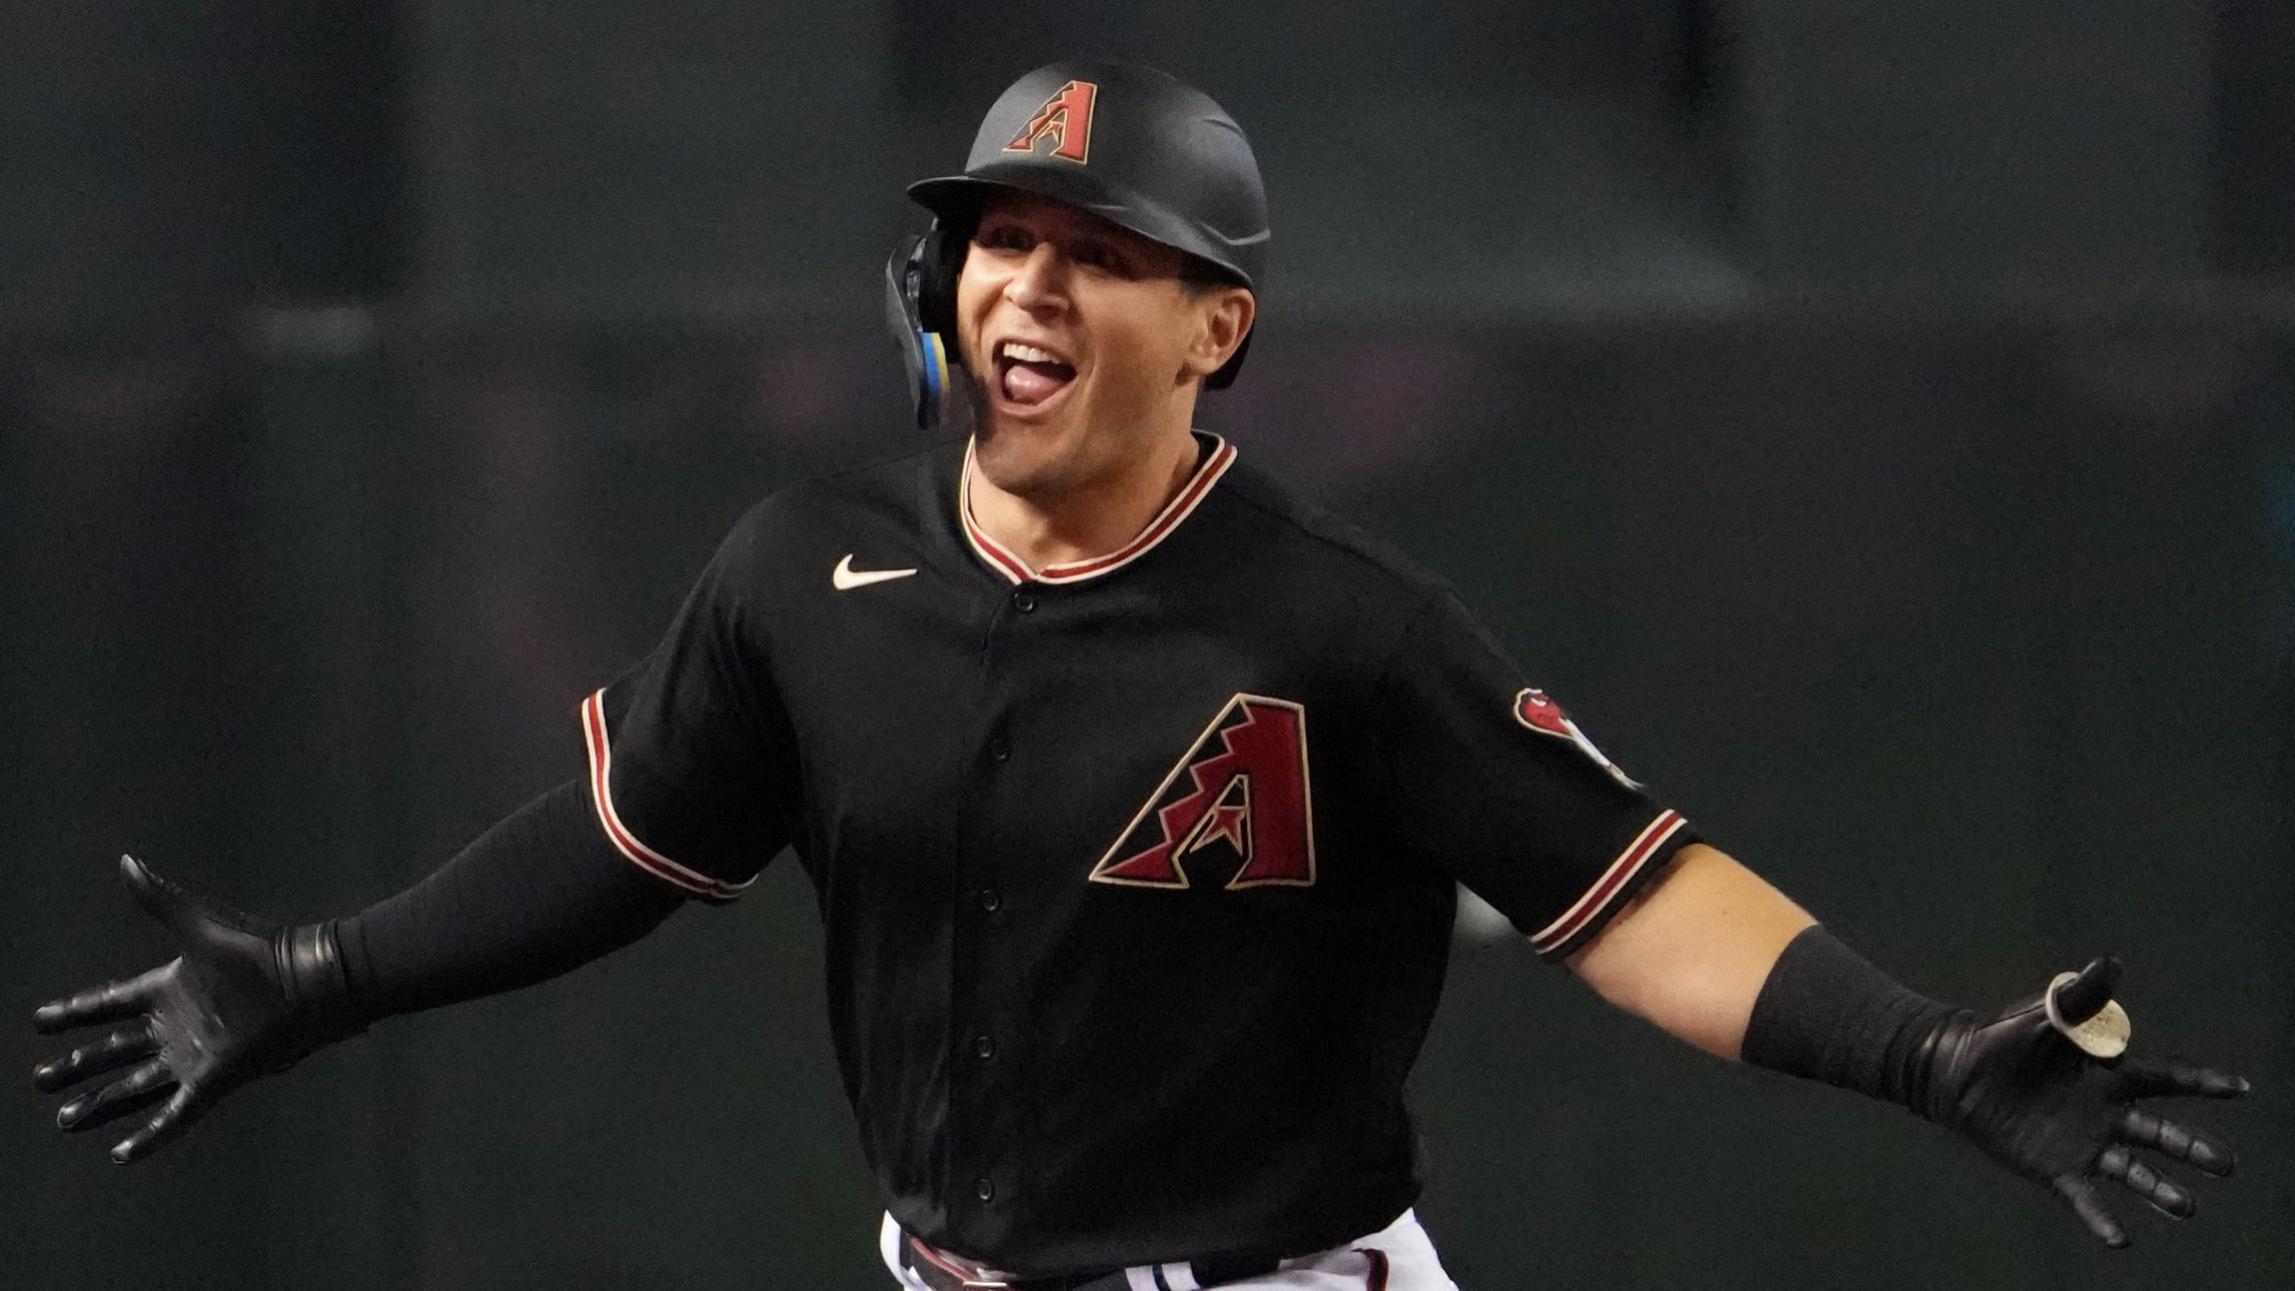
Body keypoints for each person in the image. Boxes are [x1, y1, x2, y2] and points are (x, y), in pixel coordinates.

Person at [32, 61, 2248, 1291]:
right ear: (940, 280)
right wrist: (320, 971)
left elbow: (1633, 895)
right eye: (1004, 238)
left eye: (1109, 258)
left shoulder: (1333, 629)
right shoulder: (807, 566)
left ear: (1215, 332)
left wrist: (1927, 1055)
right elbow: (625, 845)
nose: (1034, 284)